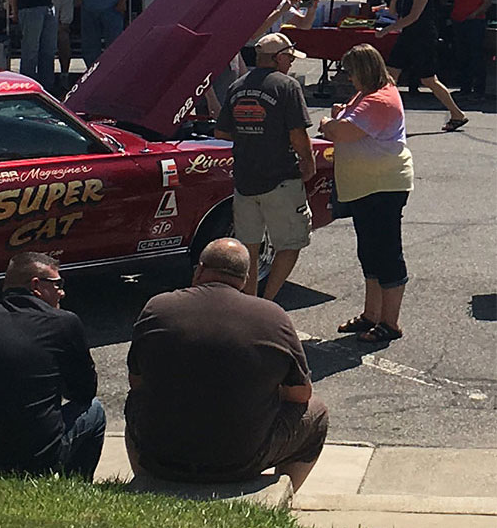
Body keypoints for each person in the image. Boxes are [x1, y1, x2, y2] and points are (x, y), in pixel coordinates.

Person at [124, 238, 328, 490]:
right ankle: (286, 496)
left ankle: (148, 482)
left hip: (162, 456)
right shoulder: (272, 316)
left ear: (199, 269)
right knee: (316, 413)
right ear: (245, 278)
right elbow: (301, 394)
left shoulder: (158, 308)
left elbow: (137, 381)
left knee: (136, 400)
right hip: (240, 461)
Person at [0, 252, 106, 480]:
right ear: (36, 285)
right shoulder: (64, 322)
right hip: (31, 459)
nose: (62, 291)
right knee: (94, 410)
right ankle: (75, 484)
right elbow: (83, 391)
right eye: (57, 284)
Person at [319, 44, 414, 343]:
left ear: (364, 71)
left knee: (386, 254)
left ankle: (390, 323)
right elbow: (346, 120)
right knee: (369, 253)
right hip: (365, 185)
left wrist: (328, 124)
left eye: (351, 73)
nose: (348, 79)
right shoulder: (368, 94)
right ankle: (371, 315)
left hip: (382, 185)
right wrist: (338, 119)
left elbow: (342, 132)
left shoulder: (379, 99)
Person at [215, 32, 316, 301]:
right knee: (291, 242)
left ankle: (249, 300)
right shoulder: (287, 86)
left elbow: (223, 132)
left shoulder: (236, 87)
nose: (292, 63)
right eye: (290, 57)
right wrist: (308, 162)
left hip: (245, 179)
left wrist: (251, 133)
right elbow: (298, 134)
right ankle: (267, 300)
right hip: (280, 177)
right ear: (278, 57)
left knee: (248, 246)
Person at [377, 0, 468, 132]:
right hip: (406, 37)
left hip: (422, 38)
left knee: (428, 80)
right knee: (390, 75)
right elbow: (393, 12)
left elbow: (414, 16)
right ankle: (382, 115)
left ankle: (457, 113)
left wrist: (389, 29)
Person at [449, 0, 493, 100]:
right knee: (462, 57)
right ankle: (465, 88)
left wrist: (474, 14)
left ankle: (479, 91)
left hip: (474, 23)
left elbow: (487, 2)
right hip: (459, 22)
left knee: (476, 57)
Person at [52, 0, 75, 92]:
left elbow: (65, 23)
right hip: (38, 30)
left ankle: (64, 75)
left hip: (56, 30)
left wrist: (50, 32)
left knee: (63, 37)